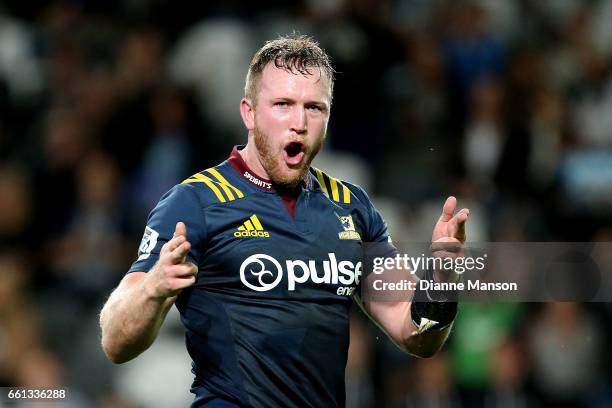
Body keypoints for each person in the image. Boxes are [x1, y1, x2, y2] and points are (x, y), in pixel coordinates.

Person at [99, 34, 469, 407]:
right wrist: (151, 290)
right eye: (282, 104)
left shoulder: (351, 207)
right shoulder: (195, 202)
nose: (299, 122)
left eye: (314, 108)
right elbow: (115, 341)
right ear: (249, 113)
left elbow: (416, 334)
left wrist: (442, 279)